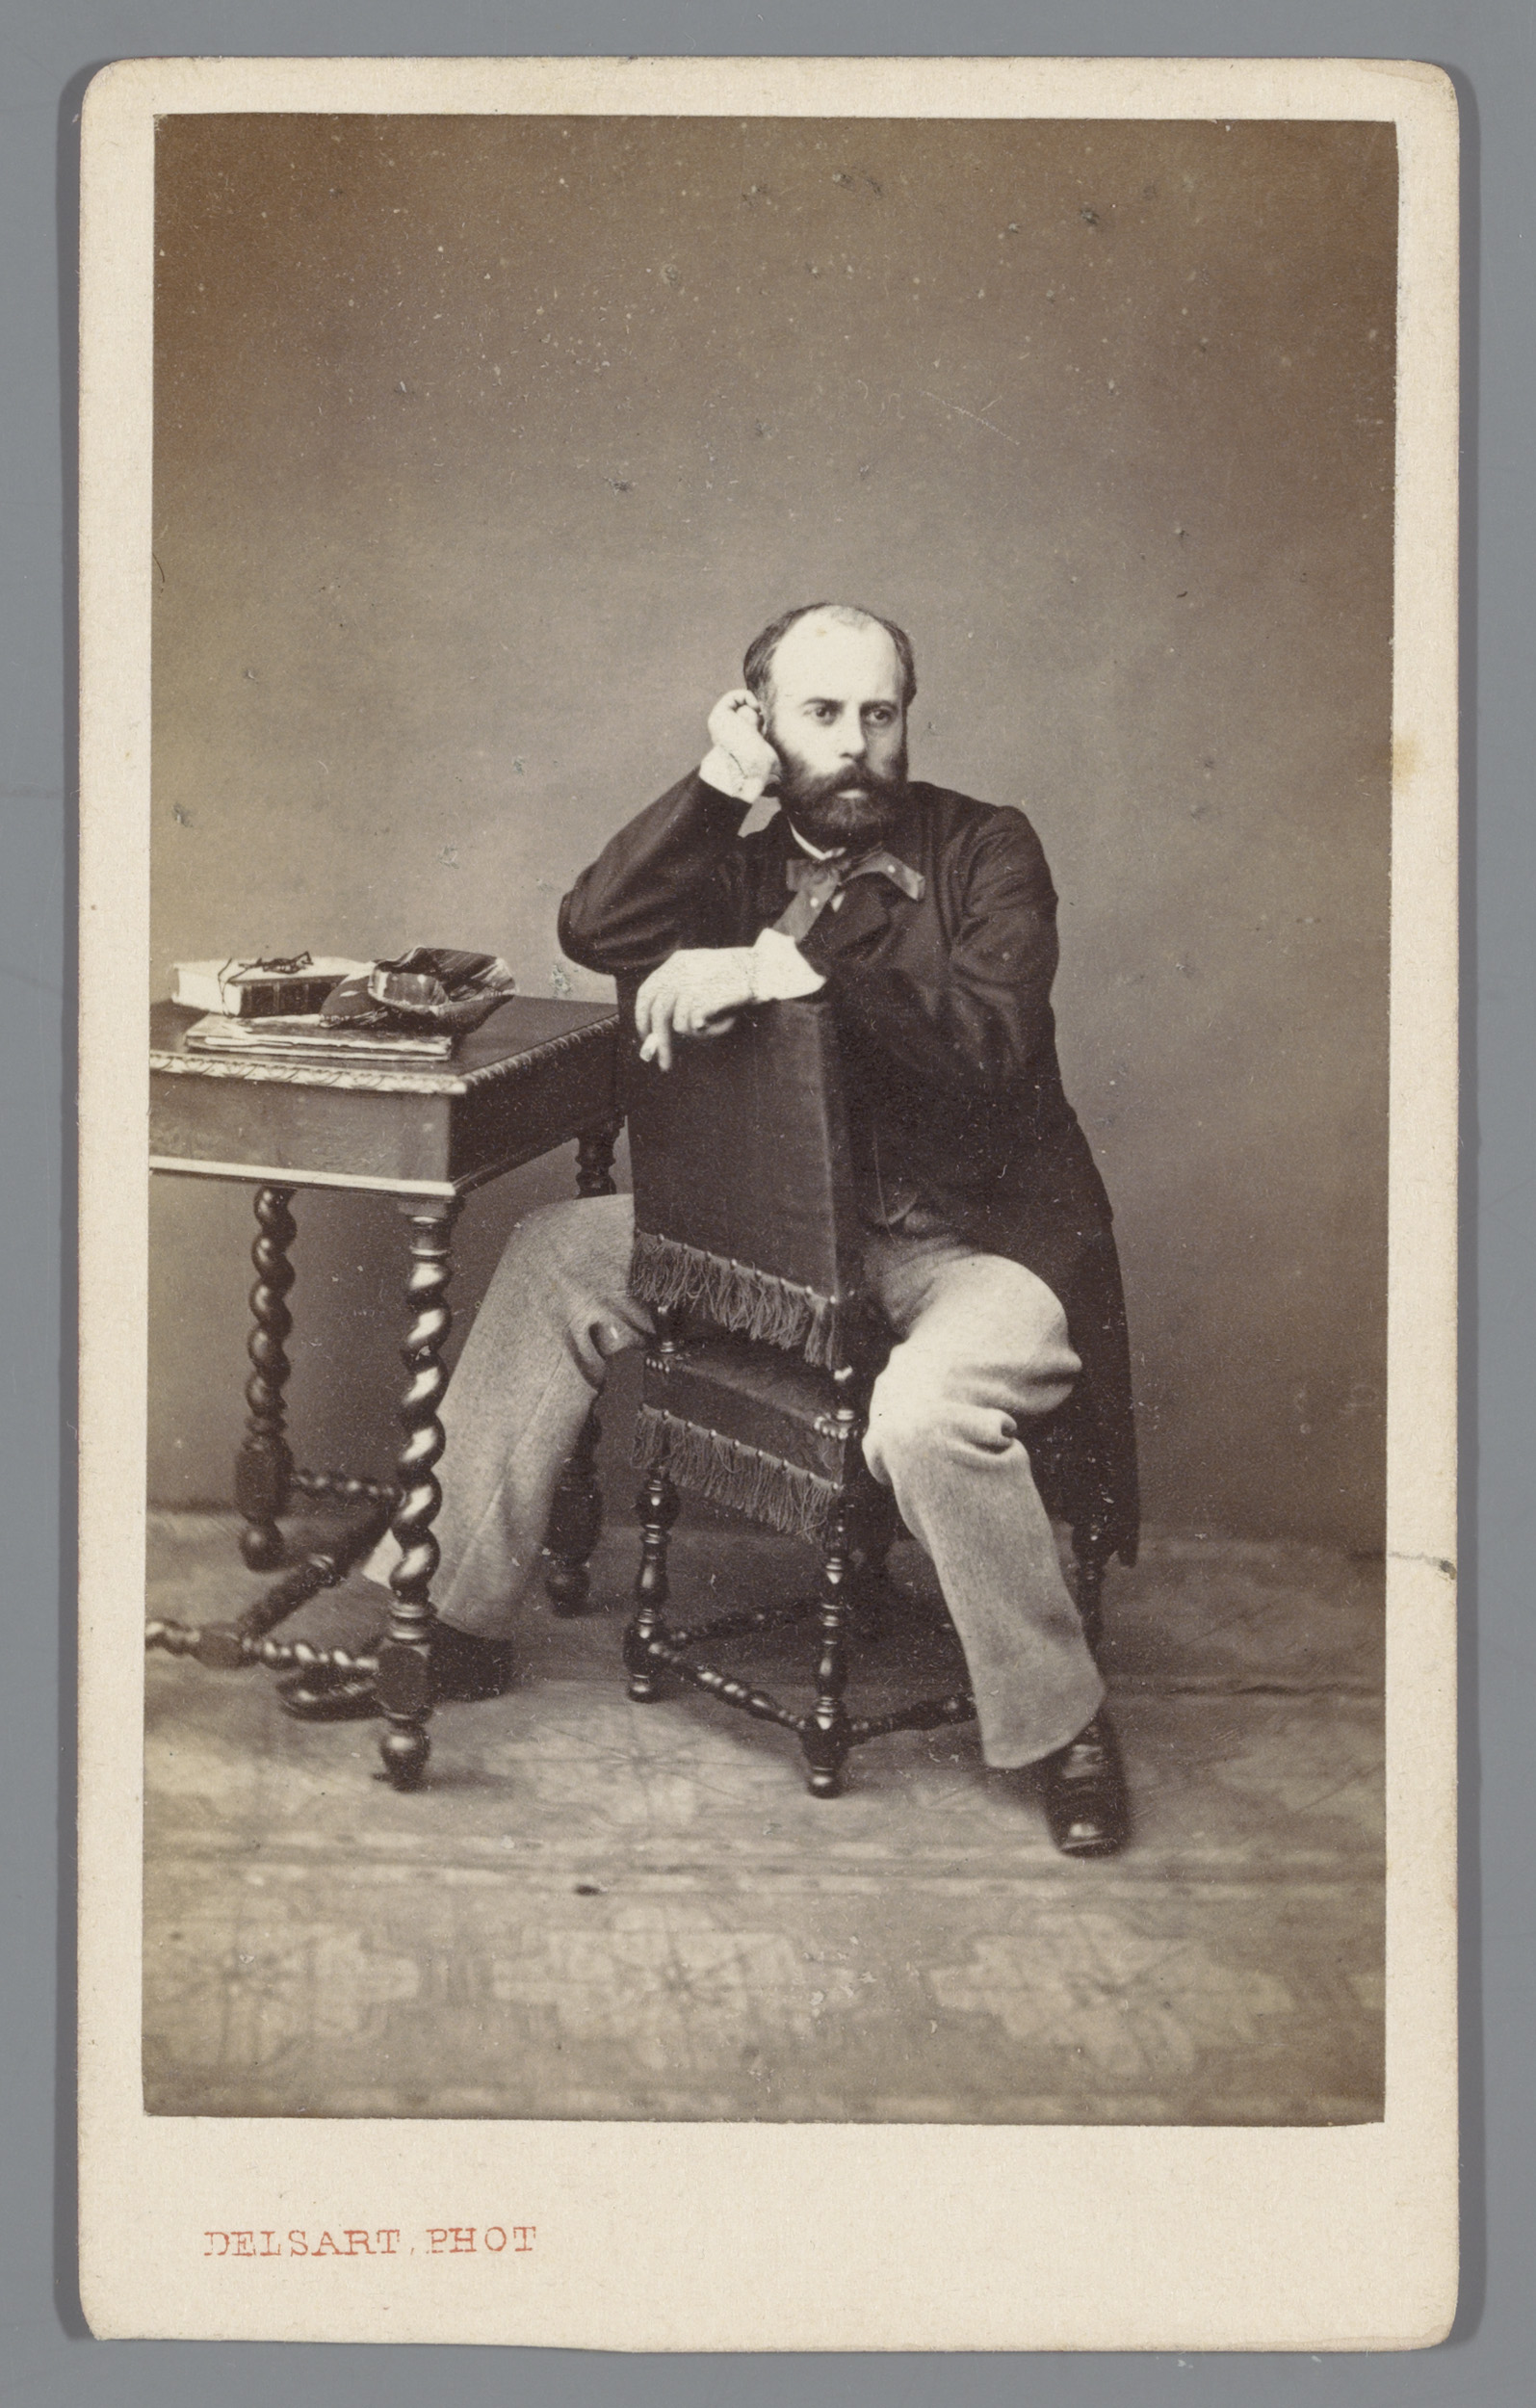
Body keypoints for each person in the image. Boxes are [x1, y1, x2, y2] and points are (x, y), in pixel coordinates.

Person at [283, 602, 1139, 1857]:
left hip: (982, 1242)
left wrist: (788, 972)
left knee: (924, 1414)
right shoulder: (731, 864)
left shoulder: (986, 847)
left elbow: (994, 1046)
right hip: (783, 1236)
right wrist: (716, 785)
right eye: (821, 714)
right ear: (765, 724)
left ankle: (1062, 1722)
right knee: (558, 1253)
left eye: (880, 714)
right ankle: (452, 1626)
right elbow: (596, 930)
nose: (855, 744)